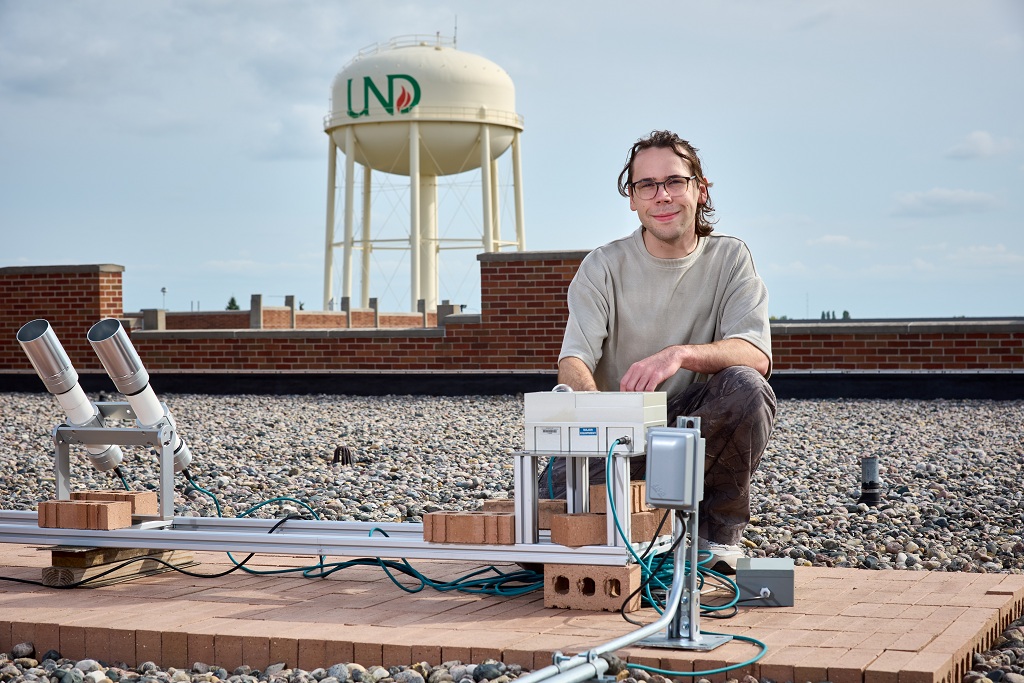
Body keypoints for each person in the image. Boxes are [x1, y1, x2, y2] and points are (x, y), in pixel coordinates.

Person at [545, 130, 777, 574]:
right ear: (632, 199)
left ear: (700, 189)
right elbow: (573, 360)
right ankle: (647, 521)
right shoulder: (603, 266)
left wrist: (679, 355)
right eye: (646, 185)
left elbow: (755, 354)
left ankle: (715, 537)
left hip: (689, 430)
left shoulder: (730, 259)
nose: (662, 196)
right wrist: (596, 415)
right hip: (616, 438)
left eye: (674, 181)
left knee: (747, 387)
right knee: (549, 522)